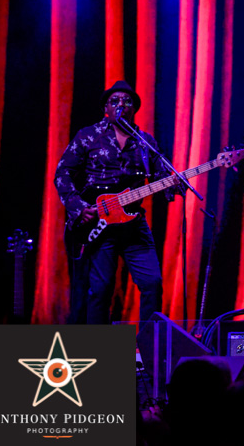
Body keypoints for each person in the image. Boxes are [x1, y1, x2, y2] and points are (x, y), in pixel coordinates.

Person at [55, 80, 174, 325]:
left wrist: (174, 184)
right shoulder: (88, 136)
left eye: (128, 101)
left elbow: (162, 175)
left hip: (133, 224)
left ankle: (147, 350)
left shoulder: (145, 141)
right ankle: (99, 353)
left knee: (153, 284)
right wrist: (78, 208)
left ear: (135, 108)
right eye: (115, 100)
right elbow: (62, 173)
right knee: (100, 290)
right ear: (106, 108)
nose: (122, 104)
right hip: (98, 223)